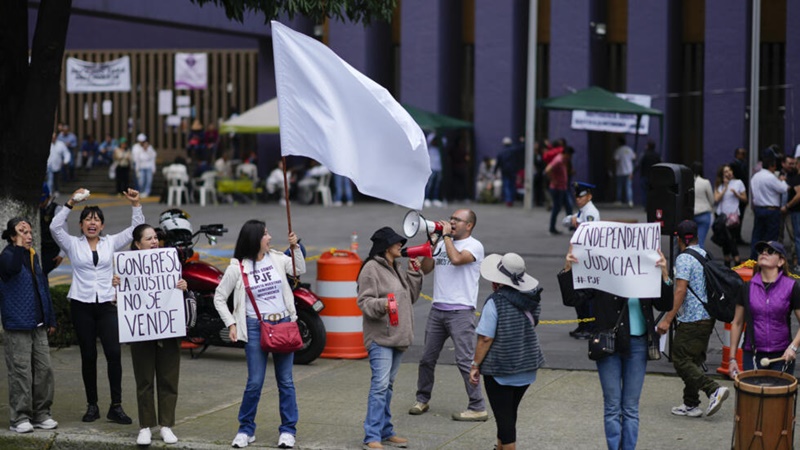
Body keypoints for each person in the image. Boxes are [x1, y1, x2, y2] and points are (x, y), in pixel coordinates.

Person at [562, 243, 671, 450]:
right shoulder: (602, 272)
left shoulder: (646, 271)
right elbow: (572, 299)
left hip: (638, 343)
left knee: (630, 407)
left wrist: (664, 275)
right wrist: (568, 269)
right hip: (608, 344)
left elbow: (664, 305)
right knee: (612, 406)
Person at [49, 187, 143, 424]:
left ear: (102, 226)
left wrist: (136, 205)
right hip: (82, 305)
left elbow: (135, 231)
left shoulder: (110, 243)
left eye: (97, 220)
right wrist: (70, 202)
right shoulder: (72, 244)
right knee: (88, 355)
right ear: (81, 225)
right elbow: (54, 227)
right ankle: (92, 405)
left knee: (113, 353)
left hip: (107, 305)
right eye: (88, 220)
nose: (92, 223)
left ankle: (116, 406)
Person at [213, 220, 305, 449]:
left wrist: (295, 248)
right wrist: (231, 324)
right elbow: (219, 297)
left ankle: (288, 431)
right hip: (255, 328)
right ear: (255, 239)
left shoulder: (276, 258)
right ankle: (245, 429)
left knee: (286, 382)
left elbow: (298, 270)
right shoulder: (238, 267)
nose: (270, 237)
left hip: (283, 324)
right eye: (265, 234)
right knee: (255, 382)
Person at [410, 209, 488, 421]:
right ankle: (422, 399)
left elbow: (456, 259)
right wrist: (432, 245)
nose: (451, 222)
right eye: (451, 218)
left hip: (461, 312)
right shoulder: (444, 243)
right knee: (427, 358)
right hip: (438, 310)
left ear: (469, 225)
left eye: (457, 220)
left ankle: (477, 406)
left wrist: (445, 236)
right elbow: (426, 269)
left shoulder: (474, 246)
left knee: (465, 361)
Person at [112, 224, 187, 446]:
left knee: (168, 378)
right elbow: (119, 301)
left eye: (155, 238)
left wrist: (183, 286)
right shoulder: (127, 268)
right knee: (144, 379)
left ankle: (166, 425)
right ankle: (145, 426)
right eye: (148, 239)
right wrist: (117, 286)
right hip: (142, 330)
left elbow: (177, 293)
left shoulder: (170, 261)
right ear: (137, 244)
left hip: (168, 329)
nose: (154, 241)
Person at [356, 227, 423, 449]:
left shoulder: (396, 267)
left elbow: (410, 297)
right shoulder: (371, 269)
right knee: (380, 385)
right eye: (396, 242)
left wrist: (415, 273)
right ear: (385, 246)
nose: (400, 245)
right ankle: (372, 436)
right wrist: (383, 304)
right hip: (381, 338)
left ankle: (385, 431)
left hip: (397, 336)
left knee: (388, 385)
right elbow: (364, 302)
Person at [469, 253, 544, 450]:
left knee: (505, 420)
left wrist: (475, 365)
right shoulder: (532, 298)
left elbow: (485, 338)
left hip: (501, 369)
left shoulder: (496, 301)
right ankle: (499, 447)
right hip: (527, 365)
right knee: (508, 415)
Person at [656, 220, 730, 418]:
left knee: (681, 360)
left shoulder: (683, 259)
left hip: (691, 319)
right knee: (693, 361)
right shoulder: (704, 254)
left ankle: (713, 389)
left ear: (679, 239)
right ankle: (690, 404)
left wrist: (667, 319)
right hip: (707, 317)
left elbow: (680, 290)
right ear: (697, 235)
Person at [0, 218, 58, 433]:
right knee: (21, 373)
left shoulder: (33, 256)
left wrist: (50, 318)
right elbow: (12, 269)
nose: (28, 235)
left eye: (29, 231)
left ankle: (41, 414)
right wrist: (16, 247)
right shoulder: (8, 256)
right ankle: (20, 417)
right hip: (18, 326)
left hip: (39, 324)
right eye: (22, 231)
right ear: (13, 237)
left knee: (44, 371)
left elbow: (42, 287)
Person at [728, 241, 800, 377]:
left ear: (781, 261)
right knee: (753, 397)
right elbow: (737, 323)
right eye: (761, 251)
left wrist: (793, 347)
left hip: (782, 355)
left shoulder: (791, 287)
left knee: (779, 397)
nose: (764, 253)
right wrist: (732, 359)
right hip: (752, 354)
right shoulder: (747, 287)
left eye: (770, 251)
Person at [562, 182, 600, 339]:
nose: (578, 199)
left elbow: (589, 232)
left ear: (589, 196)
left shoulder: (590, 212)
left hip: (587, 257)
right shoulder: (582, 212)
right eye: (577, 196)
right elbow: (565, 221)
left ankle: (589, 327)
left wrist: (577, 222)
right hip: (579, 257)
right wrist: (573, 220)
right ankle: (583, 324)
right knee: (579, 294)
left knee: (586, 295)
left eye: (581, 196)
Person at [749, 154, 789, 259]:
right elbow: (783, 189)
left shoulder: (755, 176)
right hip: (771, 210)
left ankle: (753, 259)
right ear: (772, 166)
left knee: (757, 235)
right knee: (770, 238)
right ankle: (768, 259)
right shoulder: (770, 177)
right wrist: (783, 180)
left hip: (759, 209)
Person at [713, 164, 747, 266]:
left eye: (730, 170)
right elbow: (716, 199)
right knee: (725, 240)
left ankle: (736, 260)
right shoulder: (720, 184)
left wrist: (737, 195)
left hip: (733, 217)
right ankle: (728, 261)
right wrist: (725, 187)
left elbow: (745, 199)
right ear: (722, 174)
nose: (729, 173)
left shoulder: (738, 183)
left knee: (731, 238)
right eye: (726, 171)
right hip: (721, 216)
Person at [544, 146, 574, 235]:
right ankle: (552, 228)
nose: (571, 158)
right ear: (567, 154)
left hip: (563, 188)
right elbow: (548, 169)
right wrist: (553, 180)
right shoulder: (559, 160)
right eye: (570, 155)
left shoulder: (563, 160)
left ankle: (571, 226)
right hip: (557, 188)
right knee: (556, 208)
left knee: (569, 206)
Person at [692, 161, 714, 249]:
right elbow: (711, 200)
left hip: (690, 214)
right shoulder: (705, 182)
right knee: (700, 242)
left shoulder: (687, 181)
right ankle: (700, 261)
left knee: (689, 242)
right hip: (704, 213)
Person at [730, 147, 750, 245]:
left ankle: (737, 236)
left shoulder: (744, 165)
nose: (744, 156)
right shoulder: (733, 165)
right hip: (736, 194)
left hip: (742, 192)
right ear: (737, 154)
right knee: (734, 217)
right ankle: (733, 237)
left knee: (740, 216)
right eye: (742, 154)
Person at [496, 137, 523, 207]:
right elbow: (521, 149)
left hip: (505, 171)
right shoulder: (514, 151)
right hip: (513, 171)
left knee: (507, 185)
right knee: (512, 185)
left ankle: (508, 200)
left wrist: (495, 171)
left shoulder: (501, 152)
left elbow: (498, 162)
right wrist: (522, 141)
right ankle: (512, 199)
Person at [613, 136, 636, 207]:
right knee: (628, 187)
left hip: (620, 171)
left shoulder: (618, 150)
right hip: (629, 171)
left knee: (619, 187)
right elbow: (634, 158)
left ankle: (619, 200)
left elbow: (615, 160)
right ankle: (630, 201)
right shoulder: (629, 150)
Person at [424, 133, 444, 208]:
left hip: (439, 168)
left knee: (437, 185)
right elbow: (429, 140)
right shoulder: (430, 147)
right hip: (431, 168)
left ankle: (435, 198)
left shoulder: (440, 148)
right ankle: (427, 198)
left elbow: (444, 141)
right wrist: (435, 134)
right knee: (429, 185)